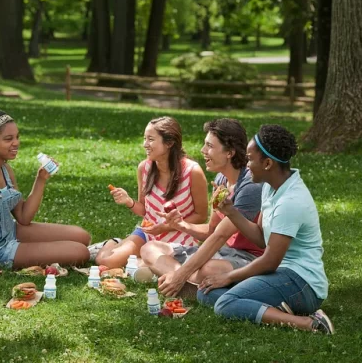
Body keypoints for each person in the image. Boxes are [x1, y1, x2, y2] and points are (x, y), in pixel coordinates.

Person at [197, 124, 334, 334]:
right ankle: (273, 307)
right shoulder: (270, 187)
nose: (246, 164)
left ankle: (310, 323)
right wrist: (232, 212)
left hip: (302, 283)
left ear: (268, 163)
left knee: (225, 304)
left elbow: (270, 260)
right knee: (205, 293)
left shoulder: (290, 201)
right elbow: (261, 238)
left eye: (250, 159)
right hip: (280, 274)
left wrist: (230, 277)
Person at [0, 110, 90, 270]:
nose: (16, 143)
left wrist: (41, 179)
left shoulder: (5, 169)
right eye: (8, 139)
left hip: (11, 232)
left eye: (17, 137)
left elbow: (24, 217)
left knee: (82, 237)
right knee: (81, 253)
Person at [140, 119, 265, 297]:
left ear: (229, 152)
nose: (203, 151)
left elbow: (220, 236)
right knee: (150, 248)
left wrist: (180, 275)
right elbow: (211, 230)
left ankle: (176, 279)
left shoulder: (250, 186)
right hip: (224, 252)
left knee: (210, 269)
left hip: (249, 258)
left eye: (209, 146)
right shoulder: (222, 180)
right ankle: (184, 283)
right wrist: (181, 225)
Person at [93, 116, 209, 270]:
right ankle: (114, 243)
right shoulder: (144, 168)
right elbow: (145, 210)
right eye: (144, 138)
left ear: (169, 143)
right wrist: (129, 201)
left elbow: (201, 216)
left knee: (151, 268)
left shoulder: (192, 171)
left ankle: (141, 259)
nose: (145, 144)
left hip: (180, 236)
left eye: (151, 139)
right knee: (105, 261)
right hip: (148, 232)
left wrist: (166, 227)